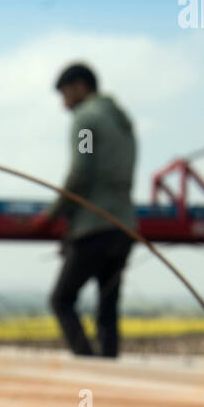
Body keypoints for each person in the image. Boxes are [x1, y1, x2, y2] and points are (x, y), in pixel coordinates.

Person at [31, 63, 137, 357]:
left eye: (65, 95)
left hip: (95, 225)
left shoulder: (87, 120)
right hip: (124, 226)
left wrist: (52, 216)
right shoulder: (121, 121)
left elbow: (81, 171)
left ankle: (88, 366)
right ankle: (109, 373)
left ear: (80, 87)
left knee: (62, 299)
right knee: (108, 306)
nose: (64, 104)